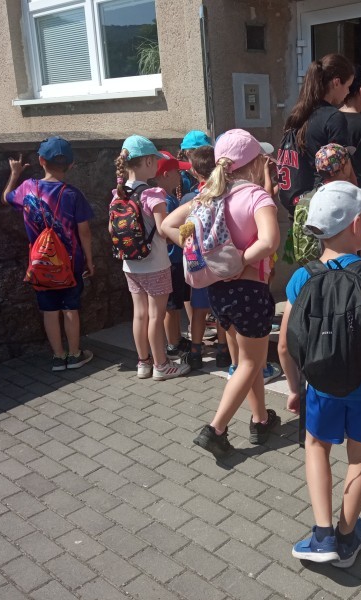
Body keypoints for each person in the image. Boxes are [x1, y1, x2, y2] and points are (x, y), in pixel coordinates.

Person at [278, 181, 361, 567]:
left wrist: (294, 387)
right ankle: (347, 537)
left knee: (316, 448)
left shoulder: (301, 278)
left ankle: (322, 535)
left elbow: (284, 345)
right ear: (356, 225)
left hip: (320, 388)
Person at [162, 129, 281, 456]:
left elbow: (167, 225)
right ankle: (216, 430)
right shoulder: (257, 196)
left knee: (247, 361)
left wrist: (199, 252)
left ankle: (260, 420)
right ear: (254, 163)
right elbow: (269, 241)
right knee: (251, 363)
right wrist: (239, 260)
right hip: (250, 291)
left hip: (218, 292)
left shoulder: (207, 196)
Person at [2, 137, 94, 371]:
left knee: (49, 310)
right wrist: (90, 260)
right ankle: (75, 355)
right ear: (71, 164)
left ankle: (58, 357)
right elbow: (84, 232)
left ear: (41, 161)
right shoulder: (73, 194)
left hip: (40, 263)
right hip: (71, 262)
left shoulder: (27, 188)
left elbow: (6, 198)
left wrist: (14, 174)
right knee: (70, 308)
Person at [112, 135, 190, 381]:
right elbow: (164, 230)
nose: (157, 164)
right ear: (147, 161)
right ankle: (161, 365)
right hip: (155, 264)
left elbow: (112, 229)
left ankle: (143, 363)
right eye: (155, 160)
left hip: (130, 264)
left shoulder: (118, 194)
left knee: (140, 314)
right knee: (156, 315)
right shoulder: (153, 194)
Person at [278, 53, 354, 215]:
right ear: (336, 82)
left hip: (299, 207)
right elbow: (341, 167)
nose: (348, 92)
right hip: (324, 207)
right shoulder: (334, 118)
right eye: (348, 86)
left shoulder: (297, 115)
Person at [177, 144, 231, 372]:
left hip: (197, 263)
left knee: (198, 310)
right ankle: (223, 351)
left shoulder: (191, 198)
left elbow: (177, 227)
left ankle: (195, 352)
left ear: (194, 171)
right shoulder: (226, 196)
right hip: (219, 260)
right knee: (220, 310)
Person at [154, 150, 192, 360]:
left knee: (176, 304)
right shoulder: (165, 201)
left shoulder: (166, 198)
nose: (181, 175)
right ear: (166, 175)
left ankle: (177, 337)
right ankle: (172, 344)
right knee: (171, 306)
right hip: (171, 259)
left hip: (174, 259)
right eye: (178, 171)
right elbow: (165, 233)